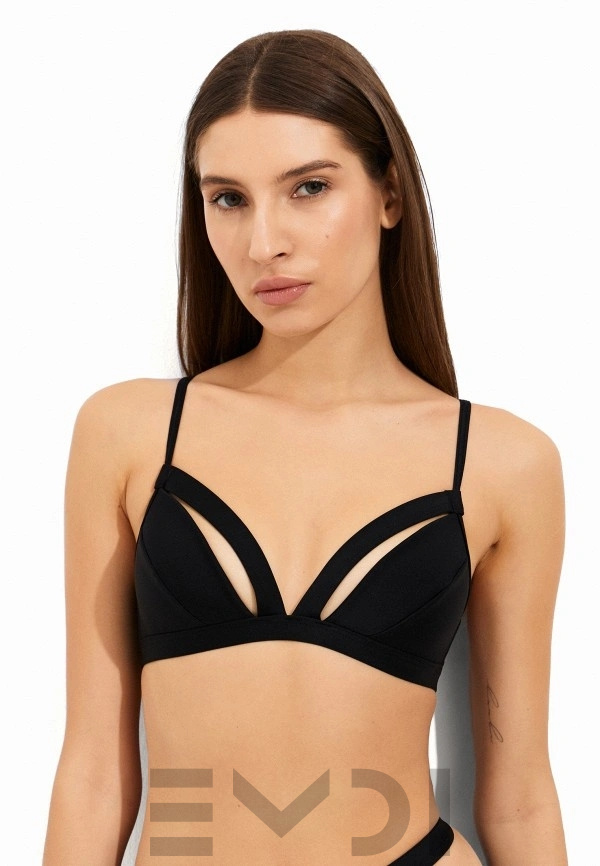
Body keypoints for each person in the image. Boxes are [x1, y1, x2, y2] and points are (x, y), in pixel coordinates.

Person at [42, 28, 568, 866]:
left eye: (309, 188)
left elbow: (522, 798)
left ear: (389, 193)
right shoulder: (130, 433)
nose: (264, 243)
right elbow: (93, 776)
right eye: (228, 198)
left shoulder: (501, 462)